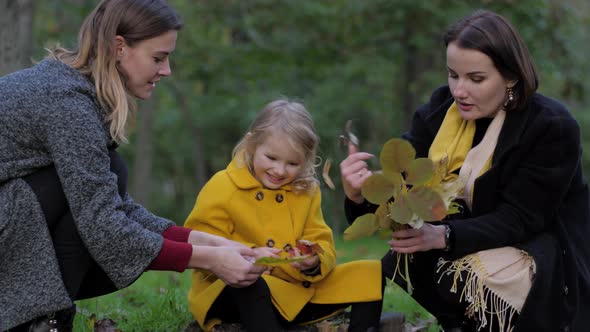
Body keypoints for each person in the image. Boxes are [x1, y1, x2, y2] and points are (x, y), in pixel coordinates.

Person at [0, 1, 267, 331]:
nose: (166, 70)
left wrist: (208, 242)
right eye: (158, 58)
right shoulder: (68, 103)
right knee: (96, 212)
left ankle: (42, 320)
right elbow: (103, 223)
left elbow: (116, 209)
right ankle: (39, 322)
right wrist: (209, 261)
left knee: (106, 181)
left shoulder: (77, 92)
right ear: (119, 47)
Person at [340, 9, 590, 332]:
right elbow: (399, 192)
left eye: (476, 79)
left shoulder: (551, 126)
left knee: (456, 273)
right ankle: (460, 321)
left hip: (540, 252)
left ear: (511, 76)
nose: (459, 91)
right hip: (465, 238)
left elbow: (518, 219)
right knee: (401, 259)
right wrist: (358, 193)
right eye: (453, 75)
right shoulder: (442, 109)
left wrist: (442, 236)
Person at [184, 99, 384, 332]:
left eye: (292, 163)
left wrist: (314, 261)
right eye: (271, 158)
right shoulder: (224, 186)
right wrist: (250, 256)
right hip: (233, 291)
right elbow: (200, 242)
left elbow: (321, 239)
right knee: (252, 285)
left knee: (370, 273)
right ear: (251, 144)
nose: (279, 170)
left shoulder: (306, 191)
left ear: (306, 160)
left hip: (295, 288)